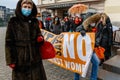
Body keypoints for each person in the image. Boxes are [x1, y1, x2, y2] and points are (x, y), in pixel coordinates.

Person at [5, 0, 47, 80]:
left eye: (29, 7)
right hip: (20, 59)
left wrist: (40, 38)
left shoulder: (35, 22)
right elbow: (9, 42)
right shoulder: (13, 21)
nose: (27, 9)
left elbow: (39, 35)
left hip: (35, 58)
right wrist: (10, 60)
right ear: (20, 8)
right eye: (25, 7)